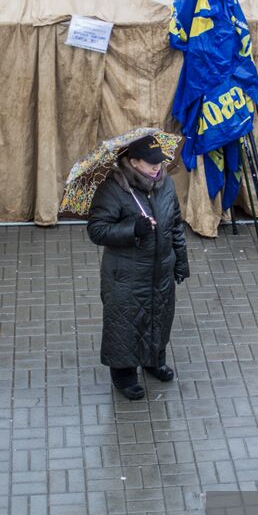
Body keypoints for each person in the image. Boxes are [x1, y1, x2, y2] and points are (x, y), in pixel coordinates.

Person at [86, 135, 190, 401]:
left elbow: (176, 224)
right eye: (151, 163)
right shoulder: (114, 188)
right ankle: (123, 375)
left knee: (159, 315)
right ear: (133, 162)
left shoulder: (165, 185)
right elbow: (97, 230)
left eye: (160, 162)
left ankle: (153, 360)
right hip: (126, 274)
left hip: (160, 270)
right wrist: (133, 228)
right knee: (125, 323)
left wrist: (181, 261)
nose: (157, 168)